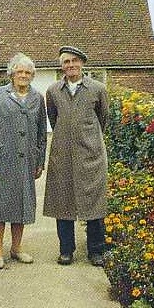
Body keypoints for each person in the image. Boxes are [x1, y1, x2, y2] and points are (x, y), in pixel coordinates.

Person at [0, 53, 48, 269]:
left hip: (26, 161)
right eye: (20, 71)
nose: (24, 76)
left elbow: (41, 134)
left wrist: (40, 161)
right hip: (1, 160)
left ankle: (16, 248)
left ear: (33, 75)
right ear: (12, 73)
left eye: (28, 72)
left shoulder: (38, 98)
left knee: (22, 205)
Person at [43, 46, 109, 266]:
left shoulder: (98, 89)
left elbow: (103, 119)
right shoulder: (53, 91)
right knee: (63, 202)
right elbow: (54, 119)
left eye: (74, 61)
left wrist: (87, 139)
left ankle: (96, 250)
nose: (70, 65)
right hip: (62, 155)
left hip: (91, 155)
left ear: (82, 63)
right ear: (61, 66)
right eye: (65, 62)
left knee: (94, 203)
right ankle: (66, 250)